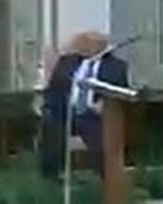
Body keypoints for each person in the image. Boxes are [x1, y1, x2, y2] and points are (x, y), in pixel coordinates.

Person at [38, 31, 131, 181]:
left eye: (92, 43)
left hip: (93, 113)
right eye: (83, 43)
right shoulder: (67, 62)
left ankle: (107, 178)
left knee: (99, 131)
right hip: (66, 111)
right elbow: (53, 90)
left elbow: (121, 92)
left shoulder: (116, 66)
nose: (84, 46)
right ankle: (51, 176)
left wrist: (104, 104)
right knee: (51, 125)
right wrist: (48, 105)